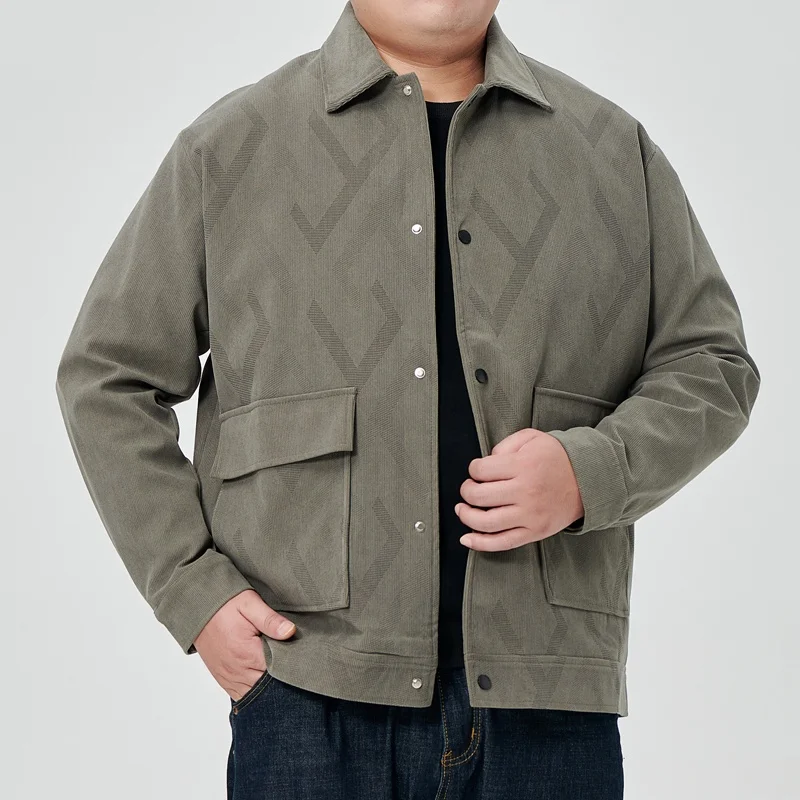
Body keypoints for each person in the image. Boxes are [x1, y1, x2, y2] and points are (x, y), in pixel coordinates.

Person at [54, 1, 761, 797]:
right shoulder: (232, 148)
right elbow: (106, 376)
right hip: (306, 688)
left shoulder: (610, 149)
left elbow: (713, 364)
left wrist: (588, 472)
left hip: (549, 698)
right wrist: (194, 593)